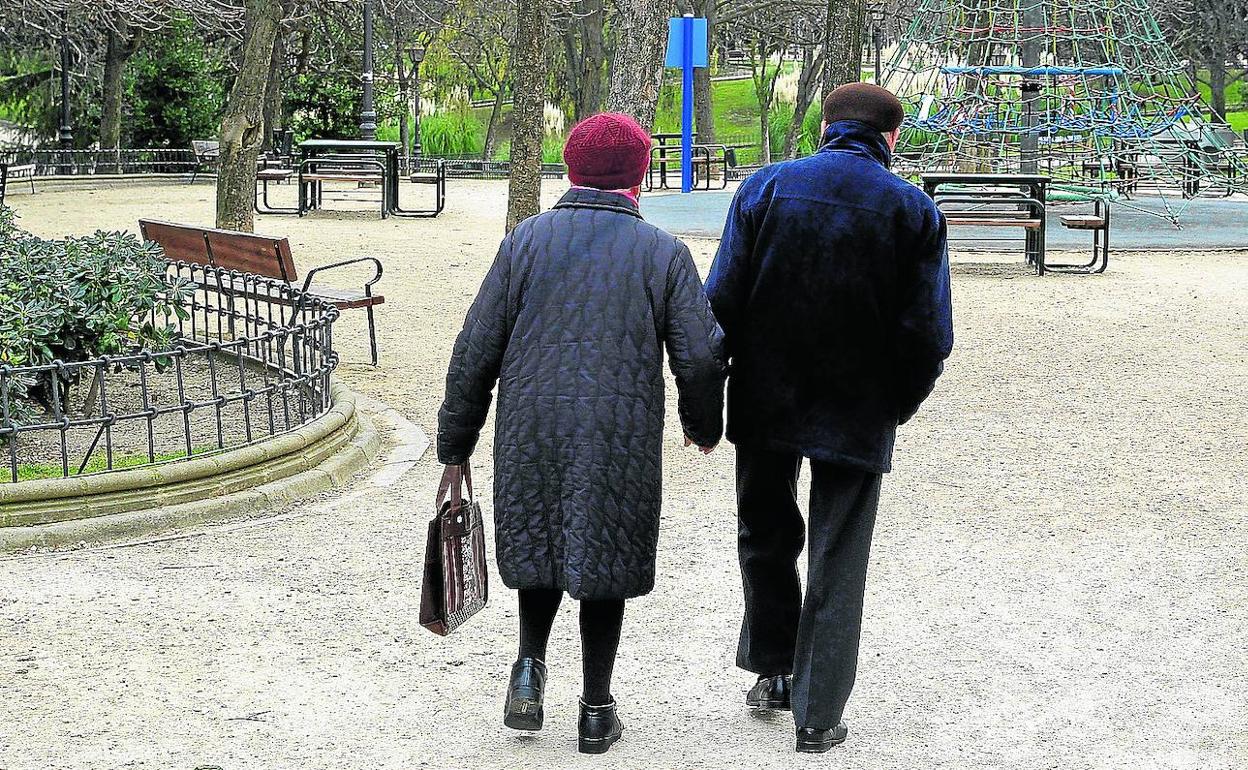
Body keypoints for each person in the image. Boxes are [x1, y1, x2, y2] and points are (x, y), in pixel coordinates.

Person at [436, 112, 726, 756]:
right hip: (616, 427)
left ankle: (529, 669)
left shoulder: (525, 243)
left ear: (570, 168)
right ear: (639, 176)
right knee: (606, 556)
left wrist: (455, 446)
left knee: (539, 541)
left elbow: (475, 347)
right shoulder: (661, 252)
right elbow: (701, 356)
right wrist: (703, 426)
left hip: (531, 421)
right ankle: (596, 709)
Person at [704, 83, 954, 753]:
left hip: (766, 397)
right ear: (891, 137)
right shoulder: (913, 210)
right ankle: (818, 715)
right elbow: (930, 335)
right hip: (858, 407)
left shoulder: (764, 190)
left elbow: (718, 302)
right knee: (839, 556)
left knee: (764, 533)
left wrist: (712, 393)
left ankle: (773, 670)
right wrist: (895, 402)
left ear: (825, 127)